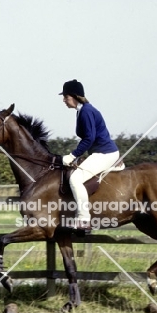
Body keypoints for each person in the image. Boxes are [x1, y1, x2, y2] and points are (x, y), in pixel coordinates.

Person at [59, 79, 123, 230]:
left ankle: (83, 219)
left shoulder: (86, 111)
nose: (64, 100)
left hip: (105, 153)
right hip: (98, 152)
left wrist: (72, 155)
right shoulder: (82, 110)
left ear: (74, 96)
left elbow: (89, 138)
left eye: (66, 97)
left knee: (75, 179)